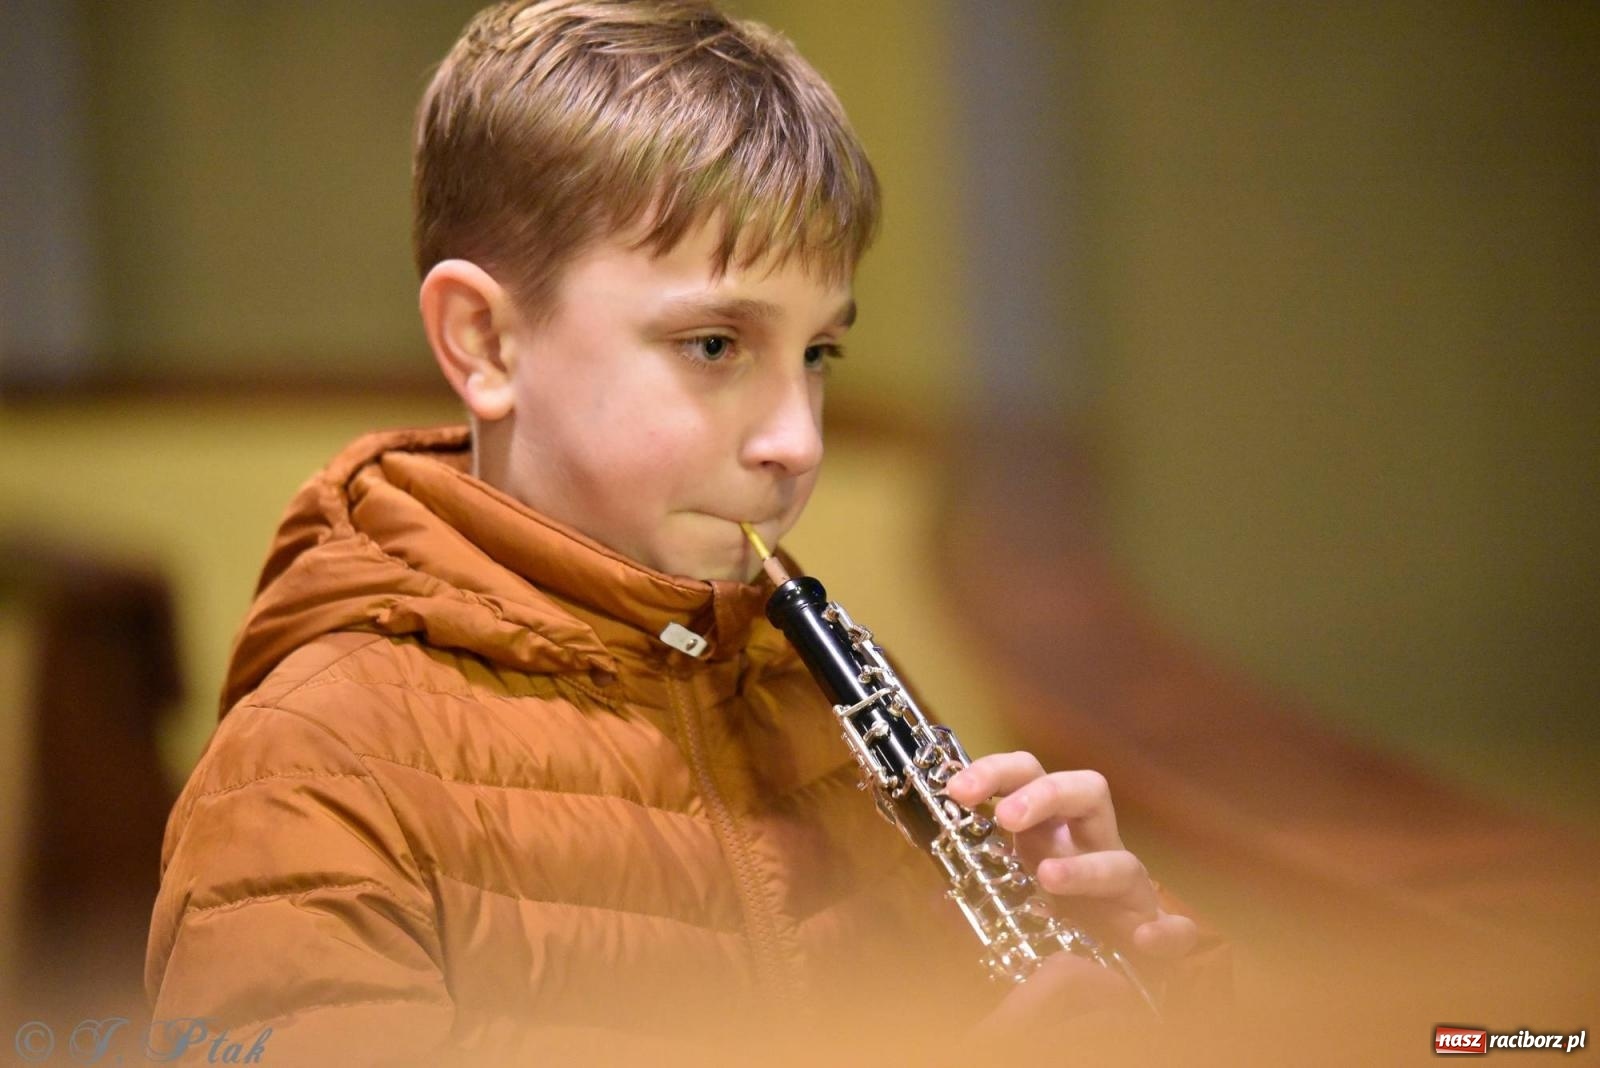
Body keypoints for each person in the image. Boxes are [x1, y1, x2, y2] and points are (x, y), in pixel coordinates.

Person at [144, 2, 1226, 1064]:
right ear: (484, 340)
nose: (797, 442)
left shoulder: (818, 688)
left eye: (818, 354)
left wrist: (1159, 990)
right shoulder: (312, 775)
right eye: (715, 344)